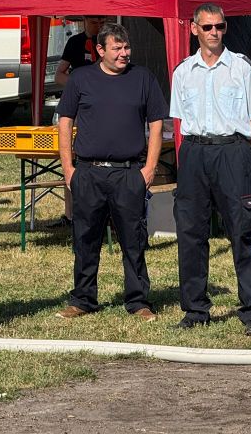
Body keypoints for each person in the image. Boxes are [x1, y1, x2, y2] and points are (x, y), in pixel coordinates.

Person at [54, 22, 167, 322]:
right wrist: (68, 168)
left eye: (126, 47)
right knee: (85, 239)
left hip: (128, 173)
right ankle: (83, 299)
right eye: (116, 48)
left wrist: (149, 168)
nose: (123, 53)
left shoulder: (142, 78)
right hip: (88, 172)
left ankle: (138, 301)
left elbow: (157, 123)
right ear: (100, 50)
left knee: (134, 240)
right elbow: (65, 121)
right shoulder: (81, 78)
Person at [170, 3, 251, 336]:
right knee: (191, 232)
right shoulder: (183, 72)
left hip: (233, 152)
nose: (215, 33)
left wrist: (238, 152)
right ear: (194, 29)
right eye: (208, 27)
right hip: (195, 152)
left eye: (220, 26)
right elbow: (181, 121)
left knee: (241, 231)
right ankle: (195, 309)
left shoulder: (241, 68)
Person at [50, 15, 108, 228]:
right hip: (81, 108)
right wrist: (79, 84)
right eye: (94, 22)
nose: (98, 26)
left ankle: (106, 213)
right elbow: (59, 75)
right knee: (73, 162)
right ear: (84, 21)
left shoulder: (111, 41)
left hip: (105, 107)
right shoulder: (75, 42)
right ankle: (71, 214)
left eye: (102, 22)